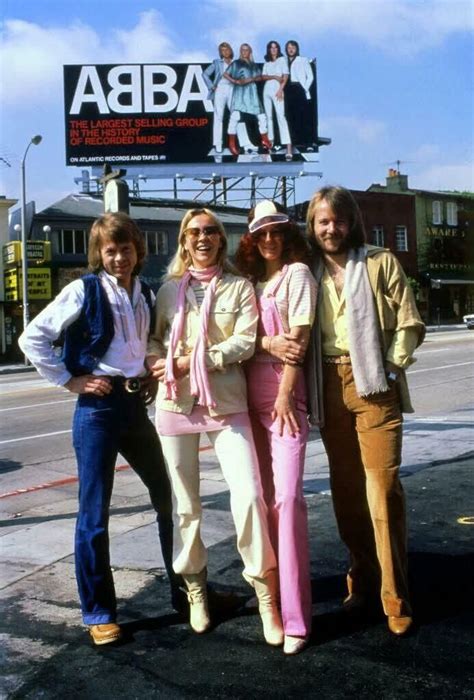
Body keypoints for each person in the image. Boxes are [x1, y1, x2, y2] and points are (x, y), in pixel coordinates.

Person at [18, 212, 182, 647]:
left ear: (137, 250)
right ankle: (99, 613)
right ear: (99, 254)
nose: (118, 257)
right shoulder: (83, 290)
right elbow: (32, 337)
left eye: (125, 248)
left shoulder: (145, 291)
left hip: (134, 407)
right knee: (94, 514)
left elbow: (141, 346)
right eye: (109, 250)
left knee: (169, 496)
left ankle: (185, 592)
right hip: (97, 410)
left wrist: (146, 373)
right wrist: (70, 380)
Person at [146, 208, 283, 645]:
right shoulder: (168, 291)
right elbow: (154, 337)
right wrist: (155, 358)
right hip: (175, 404)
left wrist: (196, 360)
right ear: (183, 242)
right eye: (194, 232)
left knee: (249, 497)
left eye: (210, 231)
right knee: (185, 506)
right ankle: (196, 592)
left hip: (225, 403)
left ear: (221, 240)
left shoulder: (240, 286)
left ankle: (265, 595)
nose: (202, 238)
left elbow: (245, 341)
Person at [305, 186, 425, 636]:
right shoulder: (305, 269)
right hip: (328, 387)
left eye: (336, 220)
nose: (330, 228)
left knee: (383, 490)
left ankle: (396, 595)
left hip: (374, 385)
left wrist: (390, 370)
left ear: (350, 221)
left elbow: (410, 321)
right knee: (347, 492)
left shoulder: (379, 261)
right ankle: (362, 573)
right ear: (312, 225)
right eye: (321, 221)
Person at [235, 200, 316, 654]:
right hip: (248, 401)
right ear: (252, 237)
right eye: (261, 232)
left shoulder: (298, 275)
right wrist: (265, 340)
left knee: (288, 499)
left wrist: (286, 394)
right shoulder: (249, 284)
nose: (269, 239)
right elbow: (246, 341)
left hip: (285, 400)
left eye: (277, 231)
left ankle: (297, 619)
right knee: (261, 502)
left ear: (287, 235)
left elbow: (298, 344)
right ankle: (271, 601)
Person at [223, 43, 272, 156]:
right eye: (242, 50)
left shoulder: (253, 65)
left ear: (250, 51)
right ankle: (232, 143)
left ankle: (264, 139)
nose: (244, 52)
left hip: (252, 92)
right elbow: (225, 74)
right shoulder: (236, 63)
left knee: (261, 116)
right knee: (235, 117)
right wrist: (236, 81)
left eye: (246, 50)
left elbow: (260, 77)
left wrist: (252, 79)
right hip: (240, 92)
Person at [202, 42, 250, 155]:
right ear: (220, 52)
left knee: (237, 115)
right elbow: (205, 74)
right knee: (219, 117)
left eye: (227, 49)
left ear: (230, 50)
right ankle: (218, 144)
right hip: (220, 89)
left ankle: (244, 142)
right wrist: (211, 86)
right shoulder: (217, 62)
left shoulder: (236, 63)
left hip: (233, 89)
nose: (225, 52)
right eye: (222, 50)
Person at [261, 41, 293, 160]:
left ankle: (288, 147)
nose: (273, 49)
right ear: (269, 49)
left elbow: (285, 76)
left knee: (281, 116)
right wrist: (274, 76)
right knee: (268, 118)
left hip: (277, 89)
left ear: (278, 49)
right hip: (267, 90)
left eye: (275, 47)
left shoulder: (282, 60)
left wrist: (280, 90)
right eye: (271, 47)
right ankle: (270, 146)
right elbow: (263, 77)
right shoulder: (267, 63)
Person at [284, 40, 315, 151]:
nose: (291, 49)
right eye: (288, 47)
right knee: (290, 116)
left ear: (297, 49)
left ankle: (308, 142)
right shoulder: (283, 61)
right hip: (287, 90)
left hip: (299, 88)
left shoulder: (303, 60)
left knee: (303, 117)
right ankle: (293, 142)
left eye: (293, 47)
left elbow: (310, 76)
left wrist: (304, 88)